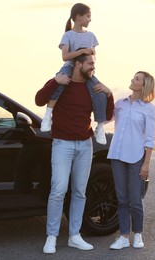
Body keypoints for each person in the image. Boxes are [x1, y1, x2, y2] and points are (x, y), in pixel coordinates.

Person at [35, 53, 114, 254]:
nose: (93, 68)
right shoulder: (62, 82)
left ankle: (74, 236)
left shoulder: (92, 88)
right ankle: (51, 237)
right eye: (90, 64)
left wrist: (109, 93)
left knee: (79, 191)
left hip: (85, 145)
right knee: (58, 190)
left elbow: (108, 115)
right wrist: (54, 81)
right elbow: (39, 100)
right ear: (77, 64)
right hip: (62, 144)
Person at [40, 3, 108, 145]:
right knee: (59, 83)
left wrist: (89, 60)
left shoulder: (91, 36)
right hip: (70, 66)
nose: (90, 19)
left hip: (85, 69)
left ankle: (100, 127)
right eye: (88, 16)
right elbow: (65, 56)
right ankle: (47, 116)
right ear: (78, 17)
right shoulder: (68, 35)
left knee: (100, 91)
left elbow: (93, 55)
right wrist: (82, 52)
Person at [107, 71, 155, 250]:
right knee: (121, 199)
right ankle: (123, 236)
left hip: (136, 157)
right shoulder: (120, 103)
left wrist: (146, 163)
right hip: (117, 156)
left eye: (137, 79)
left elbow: (150, 138)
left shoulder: (149, 108)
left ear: (144, 86)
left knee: (135, 199)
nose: (132, 80)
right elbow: (105, 118)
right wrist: (105, 94)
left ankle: (138, 235)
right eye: (133, 77)